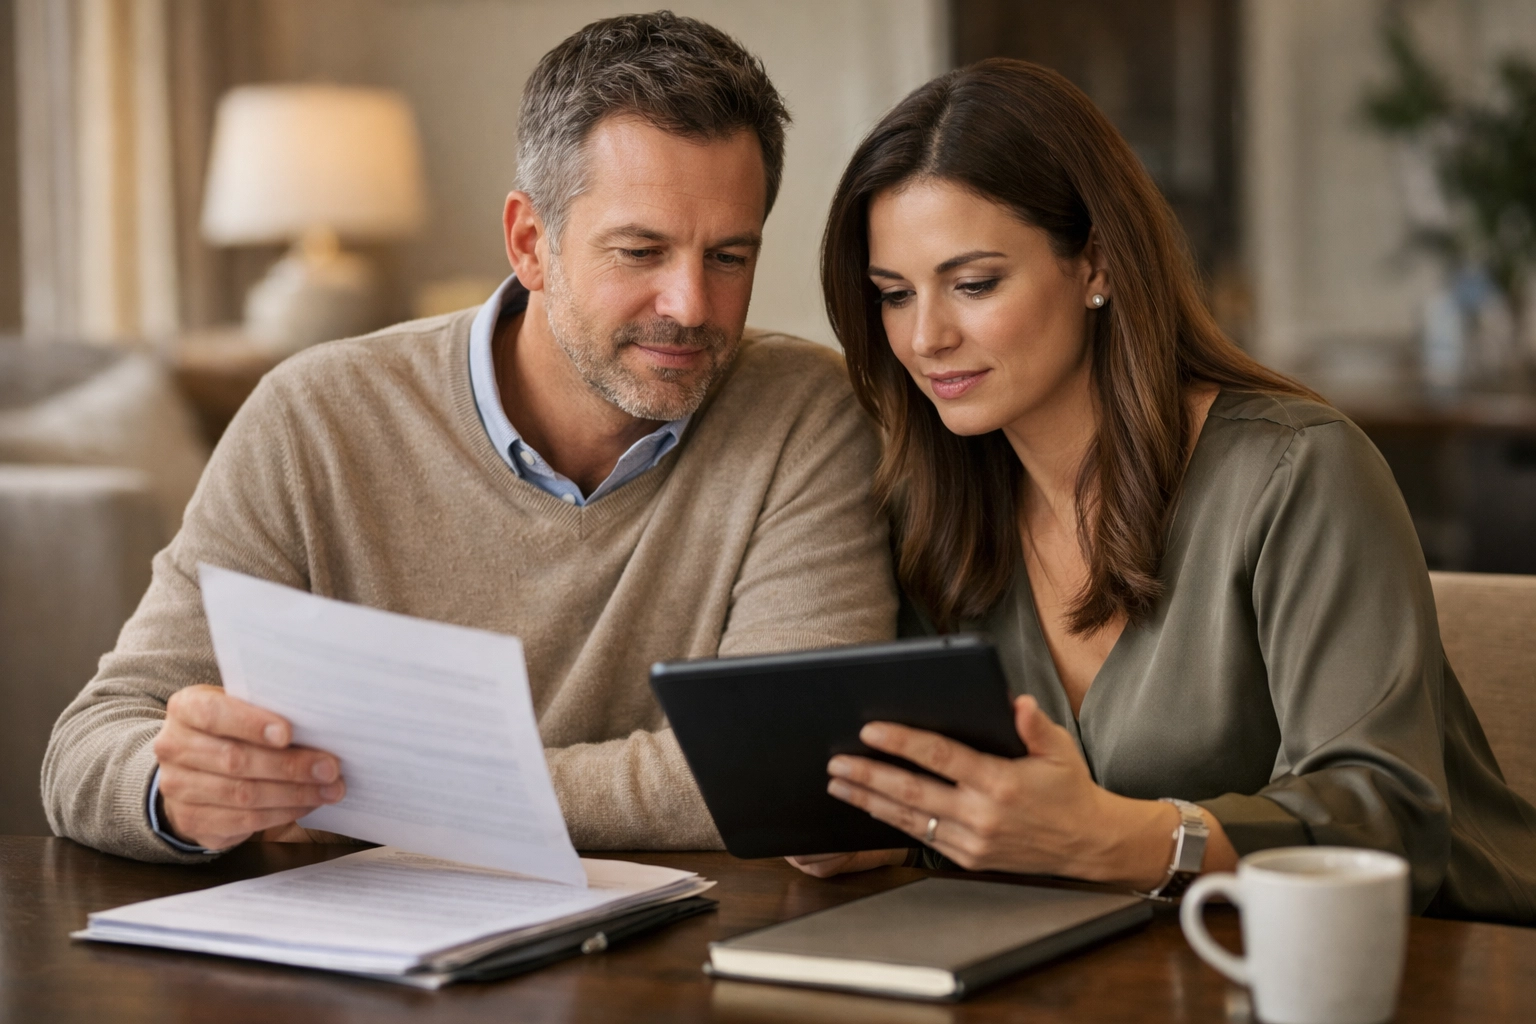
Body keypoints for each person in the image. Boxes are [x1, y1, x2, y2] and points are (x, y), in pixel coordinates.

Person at [42, 12, 895, 863]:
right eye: (640, 252)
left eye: (728, 258)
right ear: (531, 243)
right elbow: (91, 746)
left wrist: (375, 794)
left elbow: (791, 770)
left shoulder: (804, 417)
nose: (691, 307)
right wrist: (176, 792)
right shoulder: (313, 418)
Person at [792, 58, 1536, 926]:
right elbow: (993, 809)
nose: (925, 337)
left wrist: (1119, 839)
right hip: (1134, 974)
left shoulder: (1298, 473)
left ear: (1096, 264)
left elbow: (1391, 825)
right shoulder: (930, 510)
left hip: (1440, 966)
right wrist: (902, 825)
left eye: (974, 283)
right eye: (892, 295)